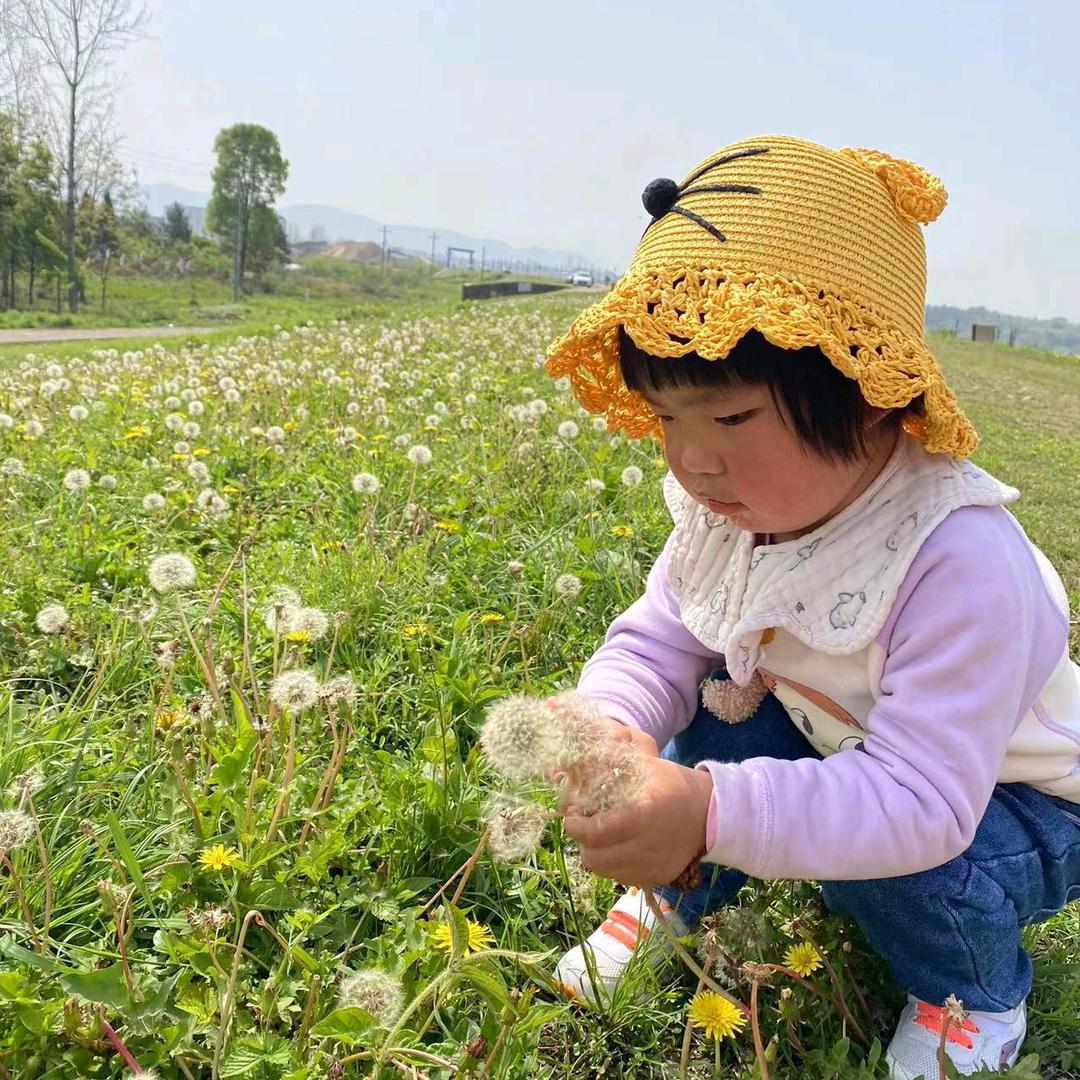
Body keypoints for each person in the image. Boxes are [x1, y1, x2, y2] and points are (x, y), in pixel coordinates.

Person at [542, 134, 1080, 1080]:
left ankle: (974, 994)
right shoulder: (732, 514)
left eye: (733, 417)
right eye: (667, 418)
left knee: (905, 861)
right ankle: (680, 894)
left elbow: (921, 803)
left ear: (871, 396)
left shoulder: (959, 561)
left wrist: (708, 811)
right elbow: (661, 638)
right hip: (860, 750)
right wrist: (617, 727)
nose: (692, 460)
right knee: (715, 708)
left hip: (1008, 803)